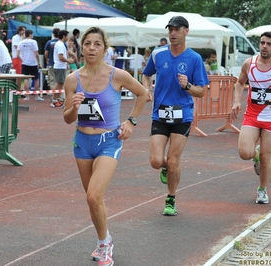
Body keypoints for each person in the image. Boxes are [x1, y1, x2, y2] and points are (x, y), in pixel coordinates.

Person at [63, 26, 148, 266]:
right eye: (87, 43)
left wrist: (131, 121)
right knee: (93, 200)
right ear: (82, 48)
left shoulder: (117, 75)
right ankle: (105, 240)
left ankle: (104, 245)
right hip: (81, 143)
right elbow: (67, 118)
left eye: (97, 44)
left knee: (93, 194)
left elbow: (143, 94)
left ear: (105, 48)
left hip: (108, 142)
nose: (91, 48)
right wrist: (74, 107)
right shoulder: (73, 79)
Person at [142, 16, 208, 216]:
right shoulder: (158, 54)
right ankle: (166, 168)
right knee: (156, 160)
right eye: (170, 29)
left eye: (177, 29)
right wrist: (146, 89)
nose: (172, 33)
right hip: (160, 114)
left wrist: (187, 86)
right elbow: (146, 74)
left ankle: (171, 198)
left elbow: (202, 91)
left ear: (186, 31)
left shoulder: (194, 59)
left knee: (173, 161)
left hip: (183, 115)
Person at [230, 31, 271, 204]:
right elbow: (239, 83)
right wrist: (236, 101)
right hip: (252, 115)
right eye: (262, 43)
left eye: (268, 44)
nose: (264, 46)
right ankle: (255, 154)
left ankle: (262, 190)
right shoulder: (249, 64)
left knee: (267, 158)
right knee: (245, 152)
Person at [16, 29, 44, 101]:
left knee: (26, 79)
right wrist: (39, 63)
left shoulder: (21, 42)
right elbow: (37, 54)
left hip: (25, 63)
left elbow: (17, 55)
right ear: (30, 34)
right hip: (33, 63)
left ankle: (27, 96)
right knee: (36, 79)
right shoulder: (33, 42)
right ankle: (36, 96)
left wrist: (23, 60)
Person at [53, 30, 74, 108]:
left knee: (60, 83)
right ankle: (54, 100)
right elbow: (60, 57)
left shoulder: (59, 44)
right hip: (59, 66)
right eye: (67, 36)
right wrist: (68, 61)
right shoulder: (61, 45)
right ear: (64, 36)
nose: (68, 38)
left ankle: (57, 100)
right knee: (59, 83)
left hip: (60, 66)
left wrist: (66, 63)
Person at [44, 28, 60, 107]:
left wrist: (47, 59)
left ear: (53, 34)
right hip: (60, 65)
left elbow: (46, 53)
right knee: (59, 81)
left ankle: (53, 96)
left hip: (51, 63)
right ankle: (57, 97)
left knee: (51, 81)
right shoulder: (61, 43)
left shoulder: (49, 42)